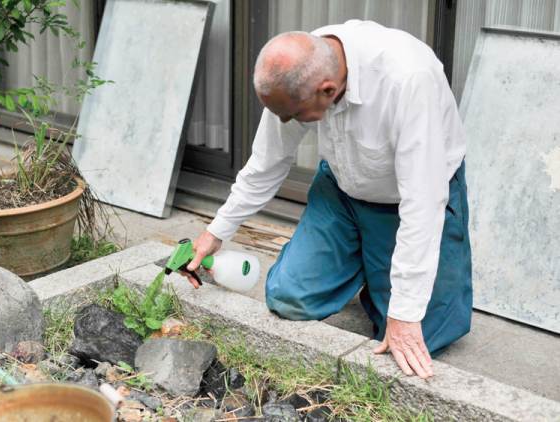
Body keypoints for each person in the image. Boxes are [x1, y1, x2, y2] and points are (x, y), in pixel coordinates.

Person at [181, 20, 471, 380]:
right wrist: (217, 231)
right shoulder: (300, 67)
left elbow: (423, 202)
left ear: (328, 90)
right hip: (343, 191)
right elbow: (266, 162)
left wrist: (405, 311)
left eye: (296, 115)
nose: (288, 122)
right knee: (288, 297)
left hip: (410, 198)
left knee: (415, 336)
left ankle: (372, 265)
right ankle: (366, 259)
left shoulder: (408, 79)